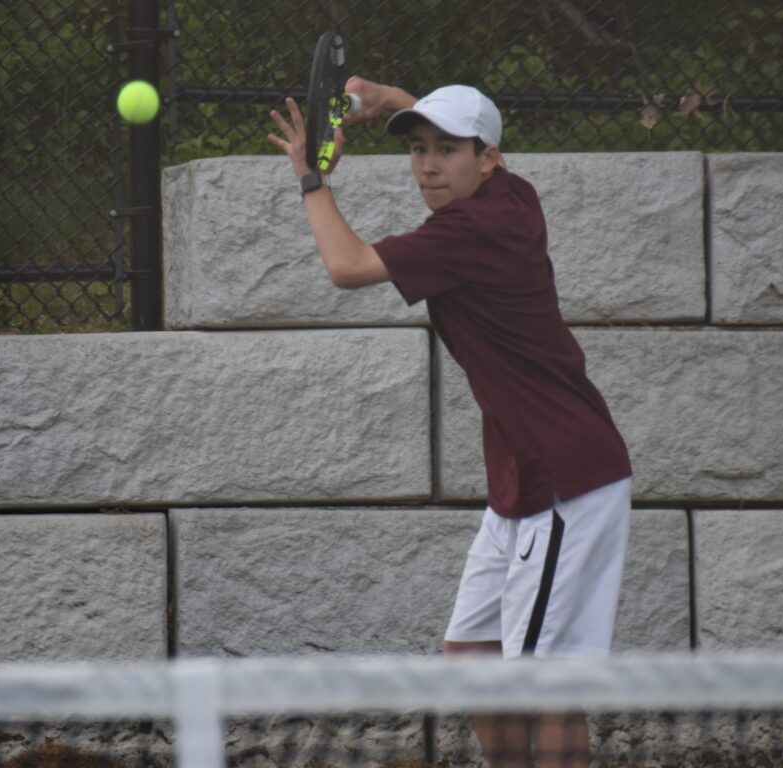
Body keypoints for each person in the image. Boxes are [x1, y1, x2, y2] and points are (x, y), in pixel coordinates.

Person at [268, 78, 633, 768]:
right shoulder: (513, 195)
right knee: (471, 655)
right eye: (418, 149)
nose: (428, 166)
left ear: (487, 158)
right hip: (522, 480)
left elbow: (346, 267)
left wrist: (311, 179)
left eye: (446, 151)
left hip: (567, 479)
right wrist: (388, 98)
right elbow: (460, 131)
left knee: (549, 686)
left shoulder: (470, 231)